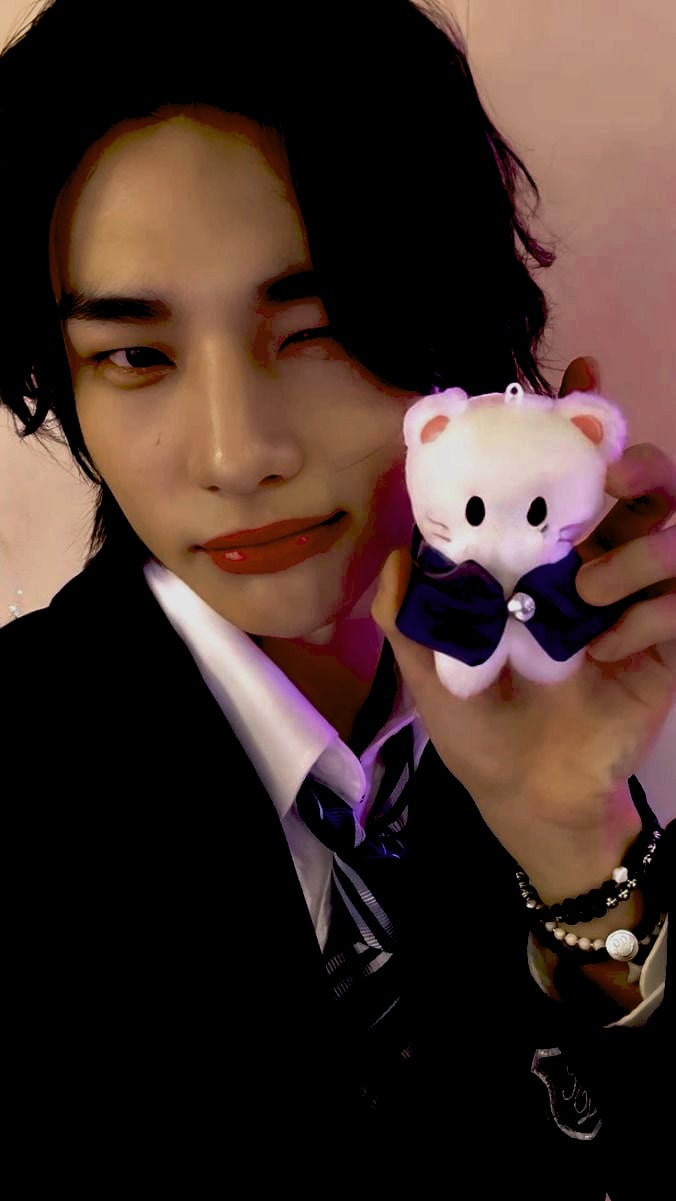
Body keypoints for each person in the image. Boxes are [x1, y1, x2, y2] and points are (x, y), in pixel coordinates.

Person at [1, 1, 673, 1194]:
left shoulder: (554, 700)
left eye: (313, 330)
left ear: (454, 328)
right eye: (135, 355)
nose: (236, 453)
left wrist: (574, 840)